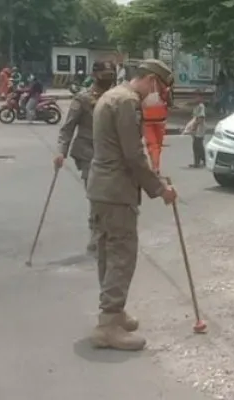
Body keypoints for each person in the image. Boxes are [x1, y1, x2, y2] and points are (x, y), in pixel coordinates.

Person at [87, 59, 177, 351]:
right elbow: (133, 155)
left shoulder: (110, 95)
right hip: (116, 190)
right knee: (122, 255)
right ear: (150, 79)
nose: (160, 95)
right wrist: (159, 188)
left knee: (107, 251)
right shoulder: (127, 102)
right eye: (160, 87)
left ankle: (113, 312)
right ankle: (108, 325)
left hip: (101, 187)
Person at [54, 61, 116, 254]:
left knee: (110, 196)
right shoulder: (82, 99)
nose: (108, 78)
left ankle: (107, 231)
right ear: (95, 74)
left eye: (111, 75)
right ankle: (95, 235)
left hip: (111, 154)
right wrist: (60, 152)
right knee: (97, 195)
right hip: (88, 152)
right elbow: (68, 128)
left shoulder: (115, 98)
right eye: (105, 74)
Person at [142, 72, 172, 174]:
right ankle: (156, 166)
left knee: (152, 144)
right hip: (160, 117)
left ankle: (155, 166)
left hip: (147, 118)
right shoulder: (162, 83)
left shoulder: (143, 83)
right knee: (158, 144)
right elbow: (168, 100)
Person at [185, 93, 206, 167]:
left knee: (197, 146)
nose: (195, 99)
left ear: (201, 98)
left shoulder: (201, 106)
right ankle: (203, 160)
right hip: (196, 130)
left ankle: (198, 162)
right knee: (198, 145)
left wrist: (194, 126)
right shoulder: (196, 107)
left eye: (196, 97)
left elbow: (201, 118)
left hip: (199, 129)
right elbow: (194, 118)